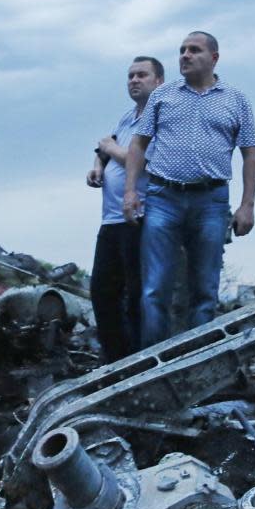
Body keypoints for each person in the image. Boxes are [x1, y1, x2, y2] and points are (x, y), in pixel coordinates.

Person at [123, 31, 255, 348]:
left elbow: (250, 154)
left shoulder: (236, 100)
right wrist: (131, 192)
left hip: (211, 201)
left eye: (194, 50)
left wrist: (247, 205)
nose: (185, 55)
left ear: (213, 58)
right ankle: (151, 366)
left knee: (205, 289)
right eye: (182, 50)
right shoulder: (163, 96)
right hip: (163, 198)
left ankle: (195, 362)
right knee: (155, 288)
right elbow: (138, 144)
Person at [87, 56, 164, 362]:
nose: (134, 80)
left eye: (141, 75)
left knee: (136, 294)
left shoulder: (160, 118)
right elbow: (106, 145)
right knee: (101, 291)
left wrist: (108, 149)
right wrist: (97, 165)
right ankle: (114, 359)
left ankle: (137, 360)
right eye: (130, 76)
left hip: (139, 218)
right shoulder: (127, 118)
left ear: (158, 81)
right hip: (110, 219)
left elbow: (142, 163)